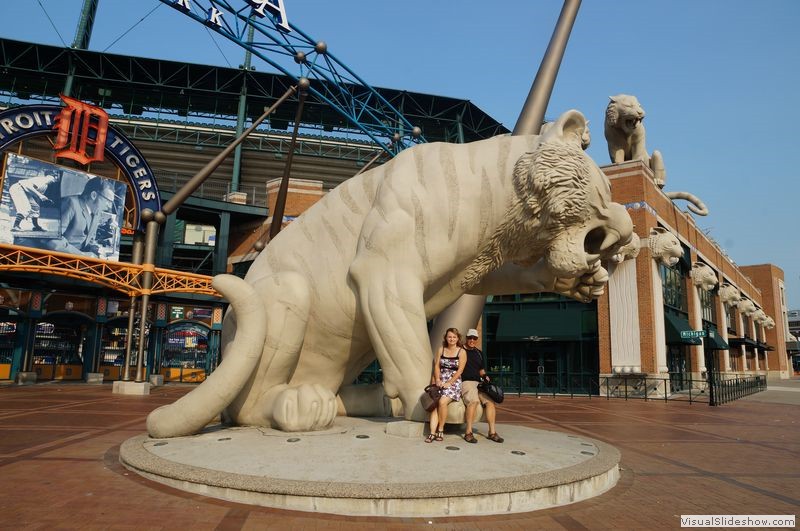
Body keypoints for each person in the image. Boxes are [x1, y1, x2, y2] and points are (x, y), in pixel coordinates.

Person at [46, 177, 116, 257]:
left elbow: (89, 241)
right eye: (107, 200)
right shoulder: (70, 203)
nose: (109, 206)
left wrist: (94, 248)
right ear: (93, 195)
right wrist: (83, 255)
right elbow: (53, 241)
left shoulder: (96, 212)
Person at [461, 328, 504, 443]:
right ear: (466, 338)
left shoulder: (479, 353)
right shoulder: (460, 351)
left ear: (477, 339)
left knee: (490, 403)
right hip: (466, 382)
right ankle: (468, 432)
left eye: (474, 338)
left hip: (479, 382)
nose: (472, 340)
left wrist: (485, 377)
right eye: (470, 338)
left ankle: (492, 432)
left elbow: (481, 370)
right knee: (473, 401)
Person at [425, 327, 467, 443]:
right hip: (441, 379)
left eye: (454, 337)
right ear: (446, 338)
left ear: (458, 338)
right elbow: (437, 366)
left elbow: (460, 371)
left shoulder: (462, 352)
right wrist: (437, 379)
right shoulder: (441, 349)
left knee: (442, 401)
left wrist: (449, 383)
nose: (452, 339)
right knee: (435, 402)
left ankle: (441, 429)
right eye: (449, 337)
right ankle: (432, 433)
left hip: (454, 382)